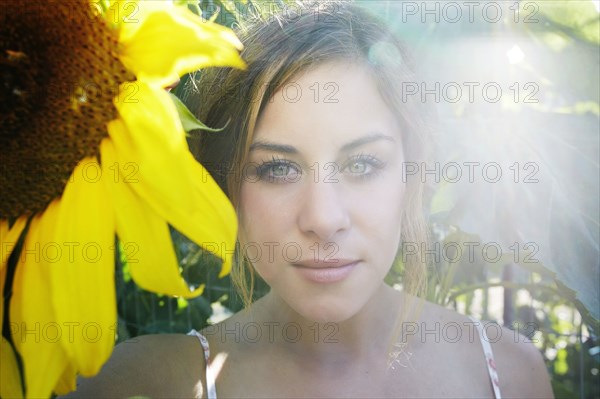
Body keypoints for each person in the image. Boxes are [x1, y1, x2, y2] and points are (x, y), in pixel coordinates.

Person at [66, 1, 554, 398]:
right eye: (277, 169)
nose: (323, 218)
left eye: (363, 165)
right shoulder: (143, 384)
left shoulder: (510, 374)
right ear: (226, 188)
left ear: (413, 173)